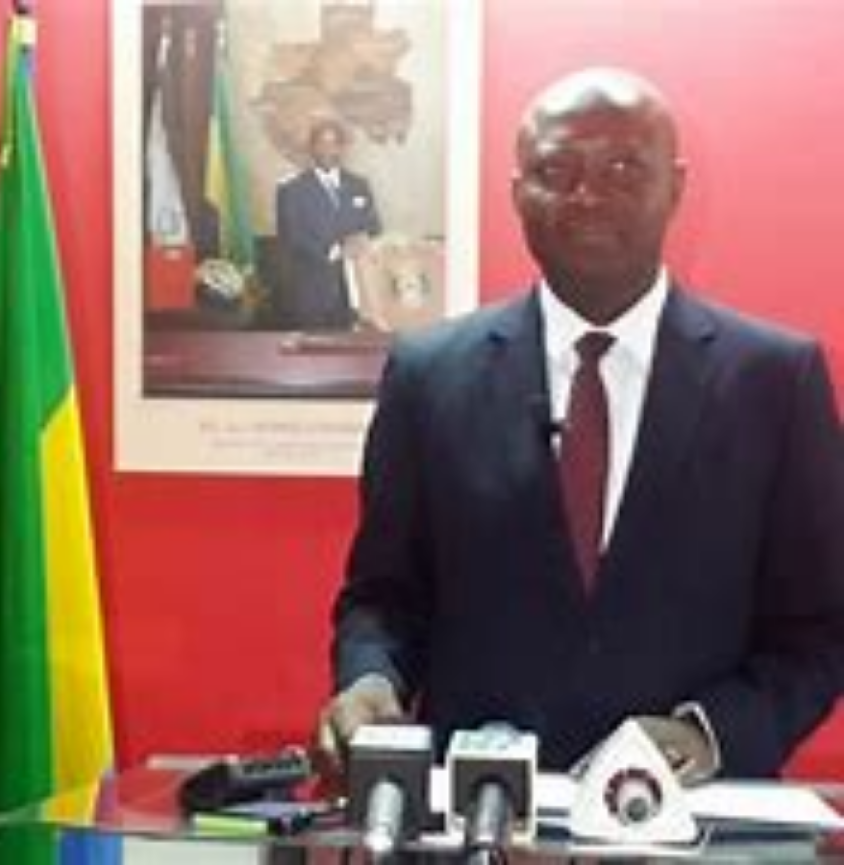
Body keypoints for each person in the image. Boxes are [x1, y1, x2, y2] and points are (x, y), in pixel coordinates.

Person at [314, 67, 844, 784]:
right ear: (517, 193)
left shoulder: (775, 381)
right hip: (480, 813)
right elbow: (384, 596)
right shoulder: (427, 374)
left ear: (675, 187)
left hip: (693, 819)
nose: (588, 196)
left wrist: (709, 734)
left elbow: (820, 627)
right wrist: (369, 680)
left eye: (624, 169)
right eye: (555, 171)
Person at [275, 118, 382, 330]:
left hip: (357, 291)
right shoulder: (291, 189)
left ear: (342, 148)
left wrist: (360, 239)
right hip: (313, 293)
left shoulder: (359, 185)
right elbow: (292, 236)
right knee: (315, 349)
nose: (328, 150)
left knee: (357, 348)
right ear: (311, 148)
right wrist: (338, 250)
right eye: (321, 143)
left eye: (334, 143)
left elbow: (374, 226)